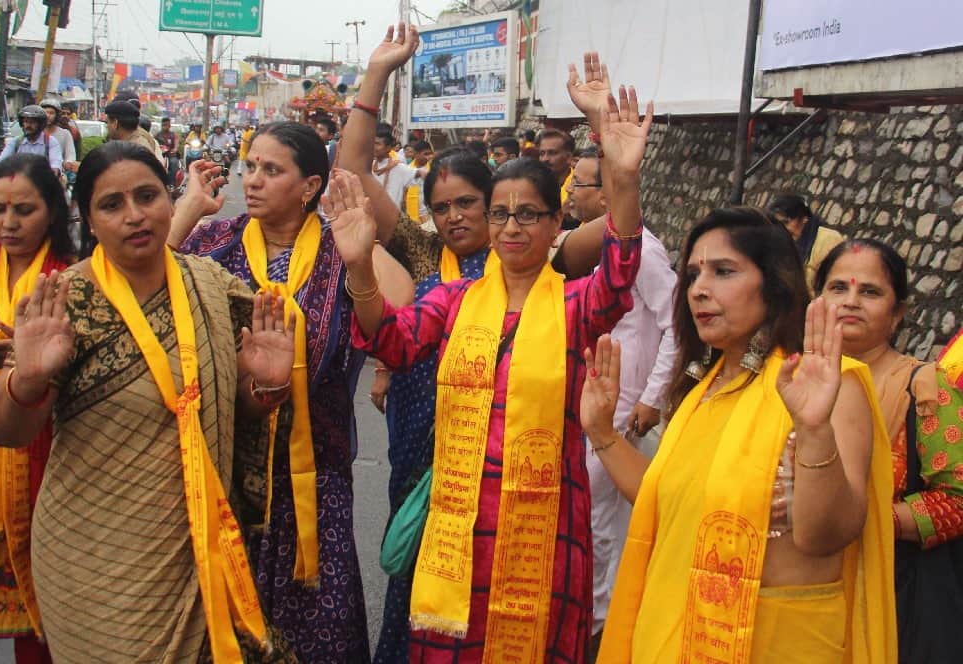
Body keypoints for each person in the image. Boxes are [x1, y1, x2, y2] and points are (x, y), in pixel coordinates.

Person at [336, 76, 650, 663]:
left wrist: (623, 175)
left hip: (544, 528)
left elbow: (620, 271)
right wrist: (359, 268)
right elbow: (393, 343)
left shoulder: (576, 305)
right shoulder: (454, 302)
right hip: (460, 528)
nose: (511, 227)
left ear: (556, 225)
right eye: (502, 213)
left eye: (529, 214)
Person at [0, 142, 296, 662]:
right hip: (97, 564)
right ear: (89, 219)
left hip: (199, 553)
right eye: (111, 205)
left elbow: (224, 411)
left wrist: (263, 389)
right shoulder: (66, 301)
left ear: (171, 202)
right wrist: (27, 379)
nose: (134, 216)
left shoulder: (213, 288)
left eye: (147, 196)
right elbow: (7, 429)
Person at [584, 208, 896, 663]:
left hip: (773, 641)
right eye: (692, 274)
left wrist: (813, 431)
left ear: (773, 285)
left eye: (723, 271)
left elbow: (826, 535)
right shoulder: (702, 390)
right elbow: (667, 503)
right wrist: (602, 432)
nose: (699, 289)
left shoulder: (829, 387)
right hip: (676, 634)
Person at [168, 121, 414, 663]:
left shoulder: (336, 248)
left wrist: (360, 252)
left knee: (316, 633)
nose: (251, 180)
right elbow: (142, 287)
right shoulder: (216, 241)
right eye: (250, 167)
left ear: (309, 188)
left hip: (314, 479)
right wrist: (187, 210)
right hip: (225, 469)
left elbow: (398, 308)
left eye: (270, 170)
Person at [814, 239, 963, 663]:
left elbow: (958, 497)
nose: (851, 301)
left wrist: (860, 518)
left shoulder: (925, 391)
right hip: (802, 587)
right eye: (837, 288)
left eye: (871, 292)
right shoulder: (787, 380)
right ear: (816, 299)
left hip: (896, 595)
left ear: (897, 313)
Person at [563, 141, 678, 662]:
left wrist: (652, 397)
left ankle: (600, 626)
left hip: (624, 407)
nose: (572, 193)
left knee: (602, 522)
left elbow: (678, 326)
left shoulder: (645, 253)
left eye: (580, 184)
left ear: (607, 192)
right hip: (596, 400)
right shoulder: (591, 250)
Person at [0, 154, 74, 664]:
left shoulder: (75, 279)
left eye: (23, 210)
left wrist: (20, 363)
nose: (7, 223)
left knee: (46, 622)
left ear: (51, 212)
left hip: (45, 453)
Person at [767, 193, 843, 290]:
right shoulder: (779, 245)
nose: (781, 229)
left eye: (786, 222)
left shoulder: (828, 239)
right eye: (776, 224)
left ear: (804, 219)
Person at [0, 106, 61, 175]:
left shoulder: (50, 142)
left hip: (42, 181)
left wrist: (55, 170)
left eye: (32, 122)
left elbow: (55, 161)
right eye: (26, 122)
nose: (28, 125)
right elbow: (3, 157)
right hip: (20, 180)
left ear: (40, 124)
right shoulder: (16, 142)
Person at [373, 130, 416, 210]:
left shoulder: (400, 167)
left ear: (388, 148)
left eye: (377, 144)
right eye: (373, 143)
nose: (373, 147)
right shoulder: (369, 165)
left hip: (390, 215)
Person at [536, 128, 575, 204]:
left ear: (568, 157)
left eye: (552, 153)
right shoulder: (534, 186)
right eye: (542, 153)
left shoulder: (577, 188)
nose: (545, 159)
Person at [39, 98, 77, 175]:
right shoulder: (36, 134)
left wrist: (68, 163)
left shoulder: (65, 134)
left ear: (57, 115)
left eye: (51, 113)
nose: (48, 115)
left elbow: (70, 155)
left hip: (58, 173)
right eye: (45, 112)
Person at [155, 116, 180, 186]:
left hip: (170, 154)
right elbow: (153, 143)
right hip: (159, 154)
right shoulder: (157, 135)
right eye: (165, 125)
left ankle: (172, 183)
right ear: (162, 125)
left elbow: (176, 141)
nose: (166, 126)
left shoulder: (173, 134)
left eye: (168, 125)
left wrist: (175, 148)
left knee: (174, 163)